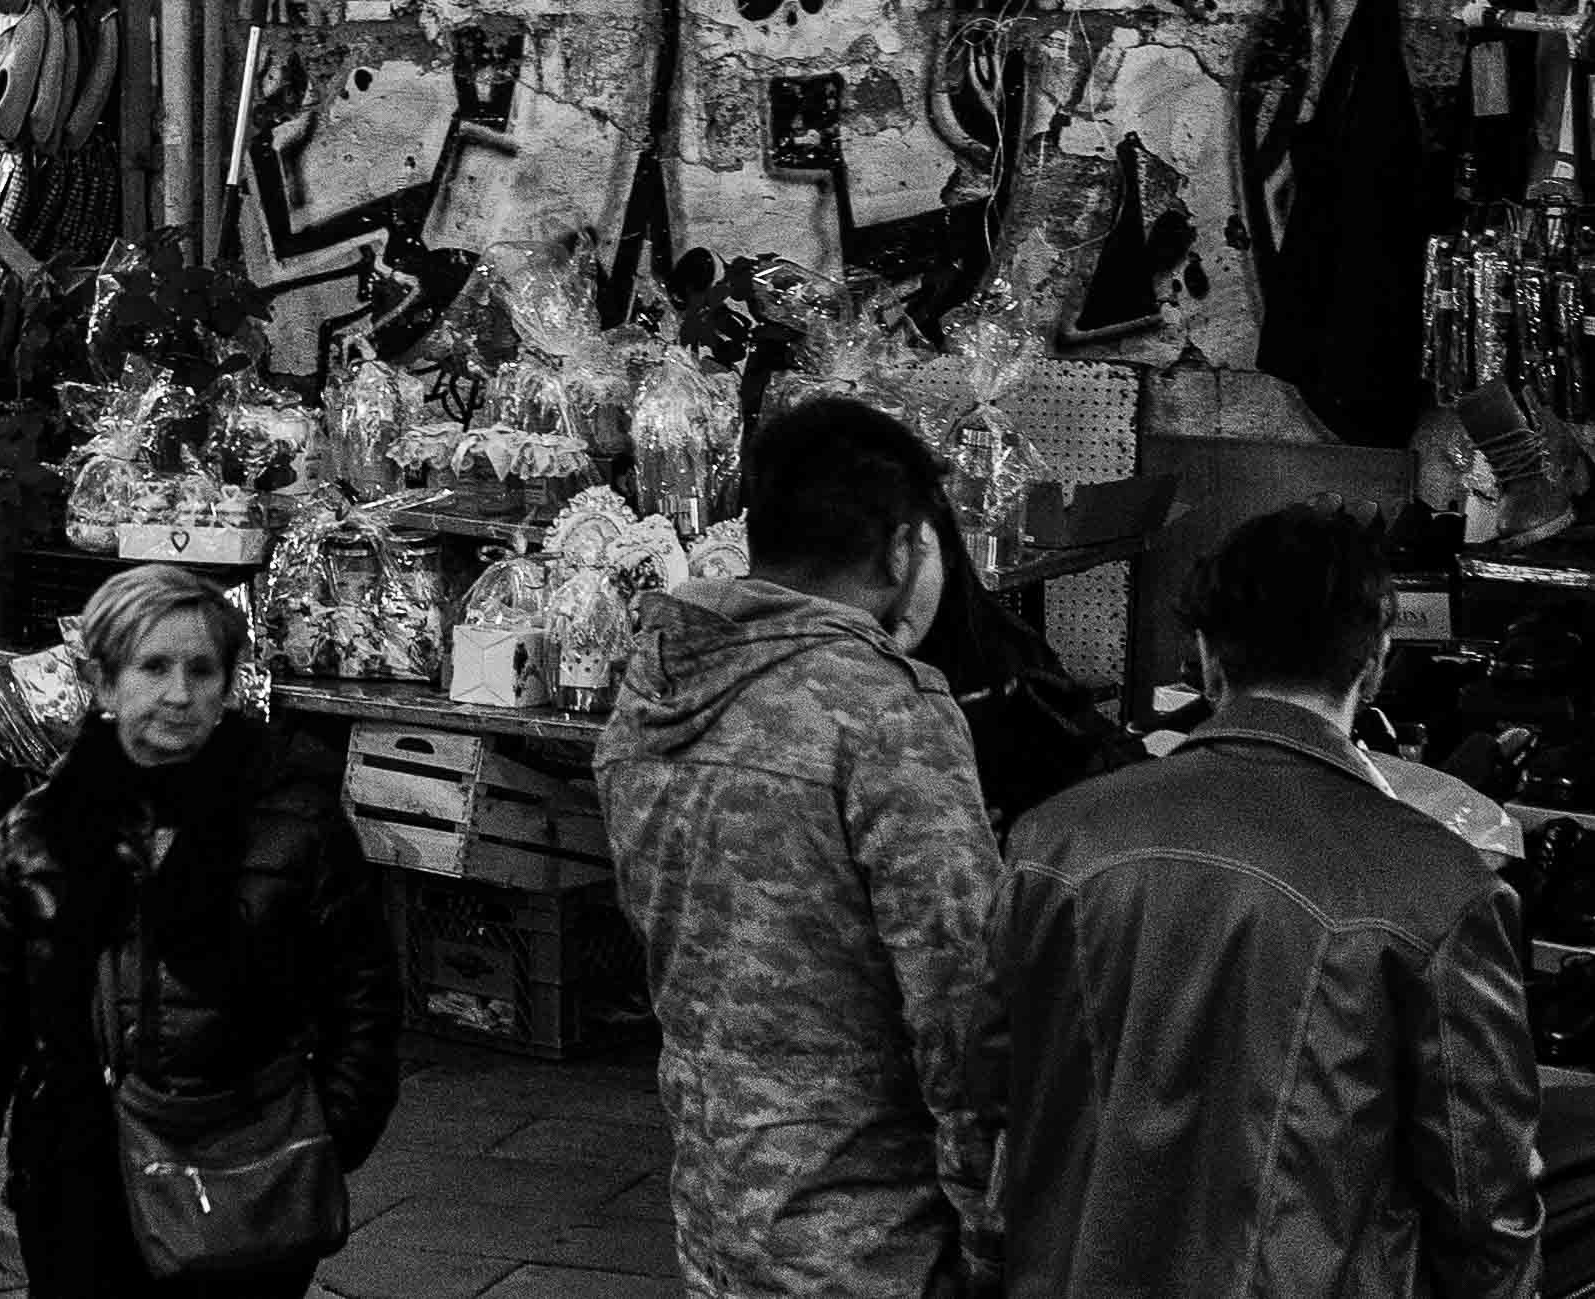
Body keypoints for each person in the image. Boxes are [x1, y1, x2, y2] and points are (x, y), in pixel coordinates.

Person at [994, 499, 1537, 1299]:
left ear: (1205, 659)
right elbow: (1484, 1198)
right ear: (1375, 660)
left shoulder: (1050, 843)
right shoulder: (1440, 885)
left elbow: (980, 1118)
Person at [600, 394, 1012, 1299]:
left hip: (717, 1215)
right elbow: (963, 1005)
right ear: (905, 547)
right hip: (872, 1242)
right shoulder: (884, 712)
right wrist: (993, 1229)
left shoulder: (656, 688)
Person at [0, 566, 406, 1299]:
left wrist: (327, 1137)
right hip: (78, 1183)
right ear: (103, 681)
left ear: (228, 681)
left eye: (201, 668)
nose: (179, 693)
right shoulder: (41, 831)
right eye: (153, 666)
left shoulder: (293, 820)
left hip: (246, 1176)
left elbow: (364, 1004)